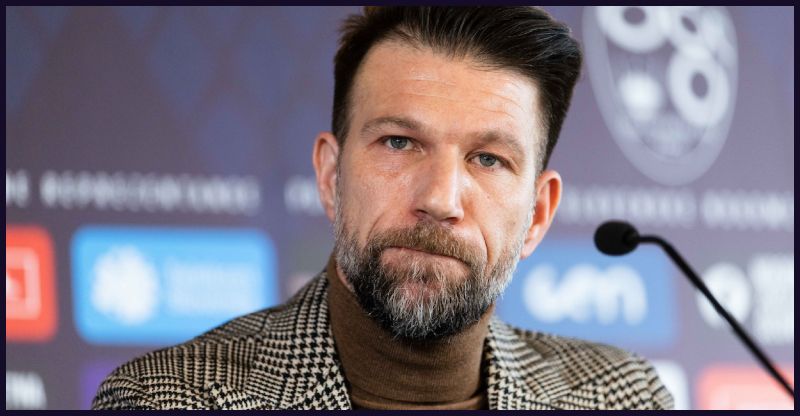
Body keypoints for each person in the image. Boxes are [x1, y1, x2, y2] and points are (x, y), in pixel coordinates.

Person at [92, 6, 673, 410]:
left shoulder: (622, 397)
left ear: (538, 215)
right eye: (399, 142)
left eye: (488, 159)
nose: (440, 200)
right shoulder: (174, 398)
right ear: (331, 176)